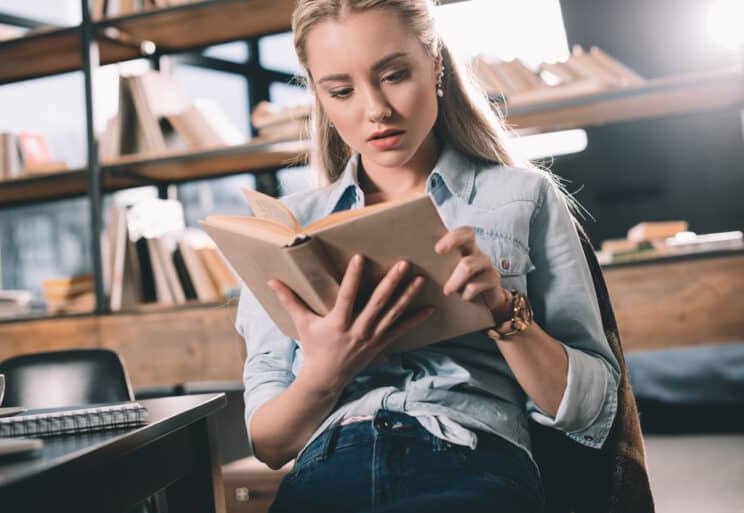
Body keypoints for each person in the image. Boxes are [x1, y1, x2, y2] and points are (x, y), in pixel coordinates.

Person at [235, 1, 620, 511]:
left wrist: (504, 313)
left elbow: (591, 410)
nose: (375, 110)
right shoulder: (288, 229)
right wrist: (324, 372)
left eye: (395, 75)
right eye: (342, 91)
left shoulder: (522, 197)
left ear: (435, 62)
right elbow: (269, 443)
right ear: (318, 94)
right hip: (330, 464)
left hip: (470, 458)